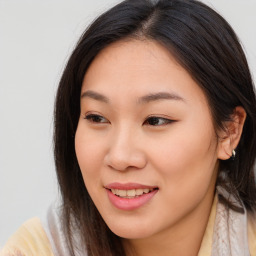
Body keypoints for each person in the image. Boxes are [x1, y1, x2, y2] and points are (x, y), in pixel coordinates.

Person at [1, 0, 256, 255]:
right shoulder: (36, 249)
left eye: (155, 120)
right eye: (97, 118)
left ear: (229, 131)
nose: (120, 157)